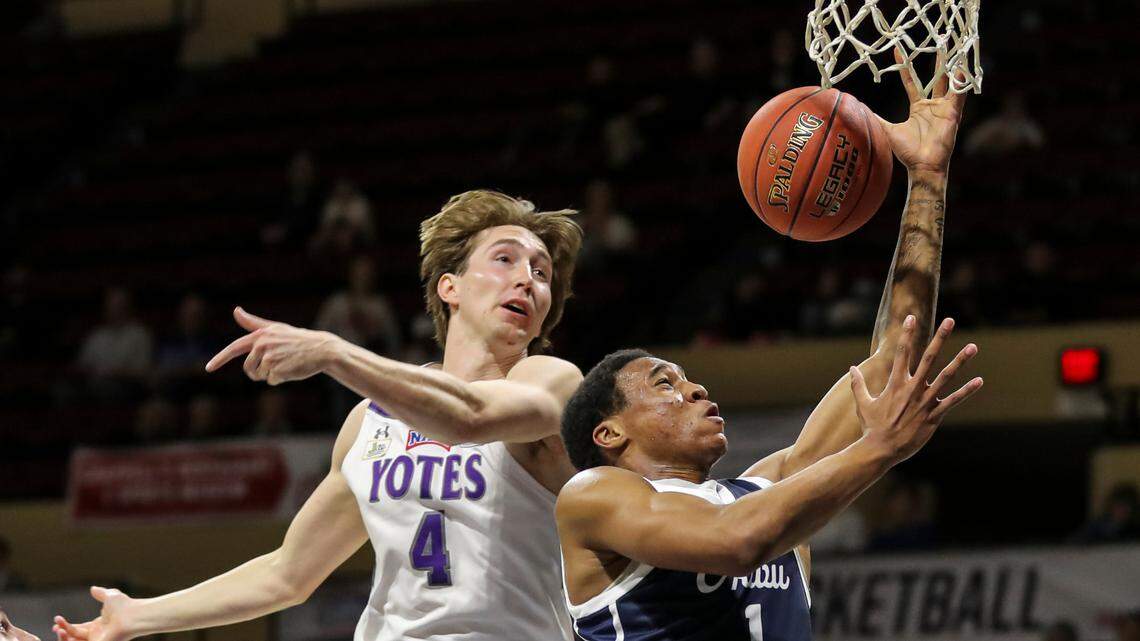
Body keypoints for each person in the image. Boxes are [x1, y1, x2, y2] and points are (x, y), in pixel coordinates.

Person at [556, 58, 979, 639]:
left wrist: (928, 179)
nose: (696, 388)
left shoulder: (770, 489)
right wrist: (877, 451)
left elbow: (892, 359)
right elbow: (736, 542)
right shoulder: (593, 497)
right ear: (610, 433)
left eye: (685, 378)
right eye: (664, 384)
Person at [54, 190, 585, 641]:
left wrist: (334, 352)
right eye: (506, 259)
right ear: (450, 287)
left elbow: (467, 417)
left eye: (541, 273)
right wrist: (137, 616)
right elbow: (288, 574)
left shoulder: (552, 381)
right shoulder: (370, 421)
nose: (528, 280)